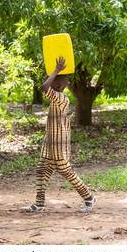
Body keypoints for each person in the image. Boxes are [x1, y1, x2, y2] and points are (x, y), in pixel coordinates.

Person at [27, 56, 96, 213]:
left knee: (65, 170)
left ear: (56, 84)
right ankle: (39, 204)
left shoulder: (61, 98)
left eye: (53, 80)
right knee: (42, 169)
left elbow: (44, 87)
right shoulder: (55, 98)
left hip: (59, 141)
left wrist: (57, 70)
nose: (69, 83)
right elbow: (46, 85)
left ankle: (89, 197)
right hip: (50, 140)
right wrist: (54, 71)